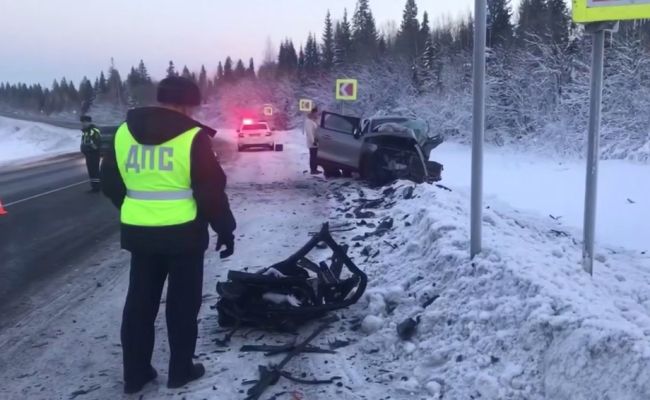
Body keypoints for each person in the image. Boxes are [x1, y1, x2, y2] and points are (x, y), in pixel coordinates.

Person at [100, 76, 237, 394]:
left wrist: (134, 207)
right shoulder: (193, 137)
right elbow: (210, 191)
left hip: (141, 235)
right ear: (188, 103)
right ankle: (180, 370)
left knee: (139, 303)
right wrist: (225, 229)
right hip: (184, 236)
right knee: (182, 305)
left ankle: (135, 375)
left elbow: (109, 181)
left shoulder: (123, 133)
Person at [80, 115, 102, 192]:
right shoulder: (85, 131)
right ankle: (94, 187)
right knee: (91, 171)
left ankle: (97, 188)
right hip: (88, 154)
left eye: (84, 122)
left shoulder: (94, 130)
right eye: (82, 122)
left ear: (89, 122)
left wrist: (90, 148)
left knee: (94, 170)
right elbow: (84, 141)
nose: (83, 123)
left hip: (93, 154)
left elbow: (97, 142)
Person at [304, 107, 320, 174]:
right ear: (313, 113)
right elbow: (309, 132)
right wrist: (313, 141)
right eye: (316, 113)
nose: (317, 114)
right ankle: (313, 170)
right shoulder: (308, 121)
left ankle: (315, 169)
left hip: (316, 141)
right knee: (313, 156)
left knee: (315, 156)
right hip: (312, 142)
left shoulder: (313, 121)